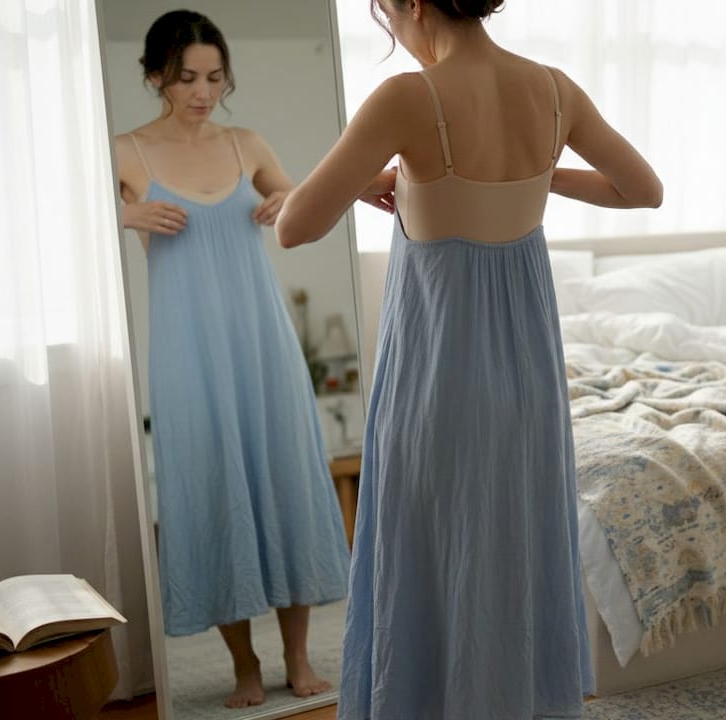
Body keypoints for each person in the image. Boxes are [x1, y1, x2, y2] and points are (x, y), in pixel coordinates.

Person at [277, 0, 662, 716]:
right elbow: (644, 191)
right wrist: (537, 177)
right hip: (529, 383)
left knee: (430, 553)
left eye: (388, 14)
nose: (394, 32)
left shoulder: (406, 97)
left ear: (415, 5)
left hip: (439, 380)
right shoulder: (555, 91)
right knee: (511, 547)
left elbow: (295, 225)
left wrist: (375, 178)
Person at [113, 10, 350, 710]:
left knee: (287, 487)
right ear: (155, 76)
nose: (203, 91)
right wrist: (124, 215)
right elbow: (61, 221)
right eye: (186, 77)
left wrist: (282, 197)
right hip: (188, 355)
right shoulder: (127, 153)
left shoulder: (246, 143)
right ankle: (245, 664)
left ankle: (298, 657)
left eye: (215, 77)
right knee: (211, 494)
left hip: (263, 344)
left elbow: (302, 196)